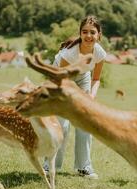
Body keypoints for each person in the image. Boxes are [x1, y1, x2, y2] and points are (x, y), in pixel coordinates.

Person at [43, 15, 106, 179]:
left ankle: (84, 167)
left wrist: (91, 95)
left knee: (85, 123)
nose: (88, 36)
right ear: (80, 33)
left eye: (92, 32)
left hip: (83, 77)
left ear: (99, 34)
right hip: (61, 80)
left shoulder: (99, 53)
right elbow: (62, 81)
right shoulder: (69, 54)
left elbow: (96, 79)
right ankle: (50, 165)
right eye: (84, 32)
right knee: (62, 125)